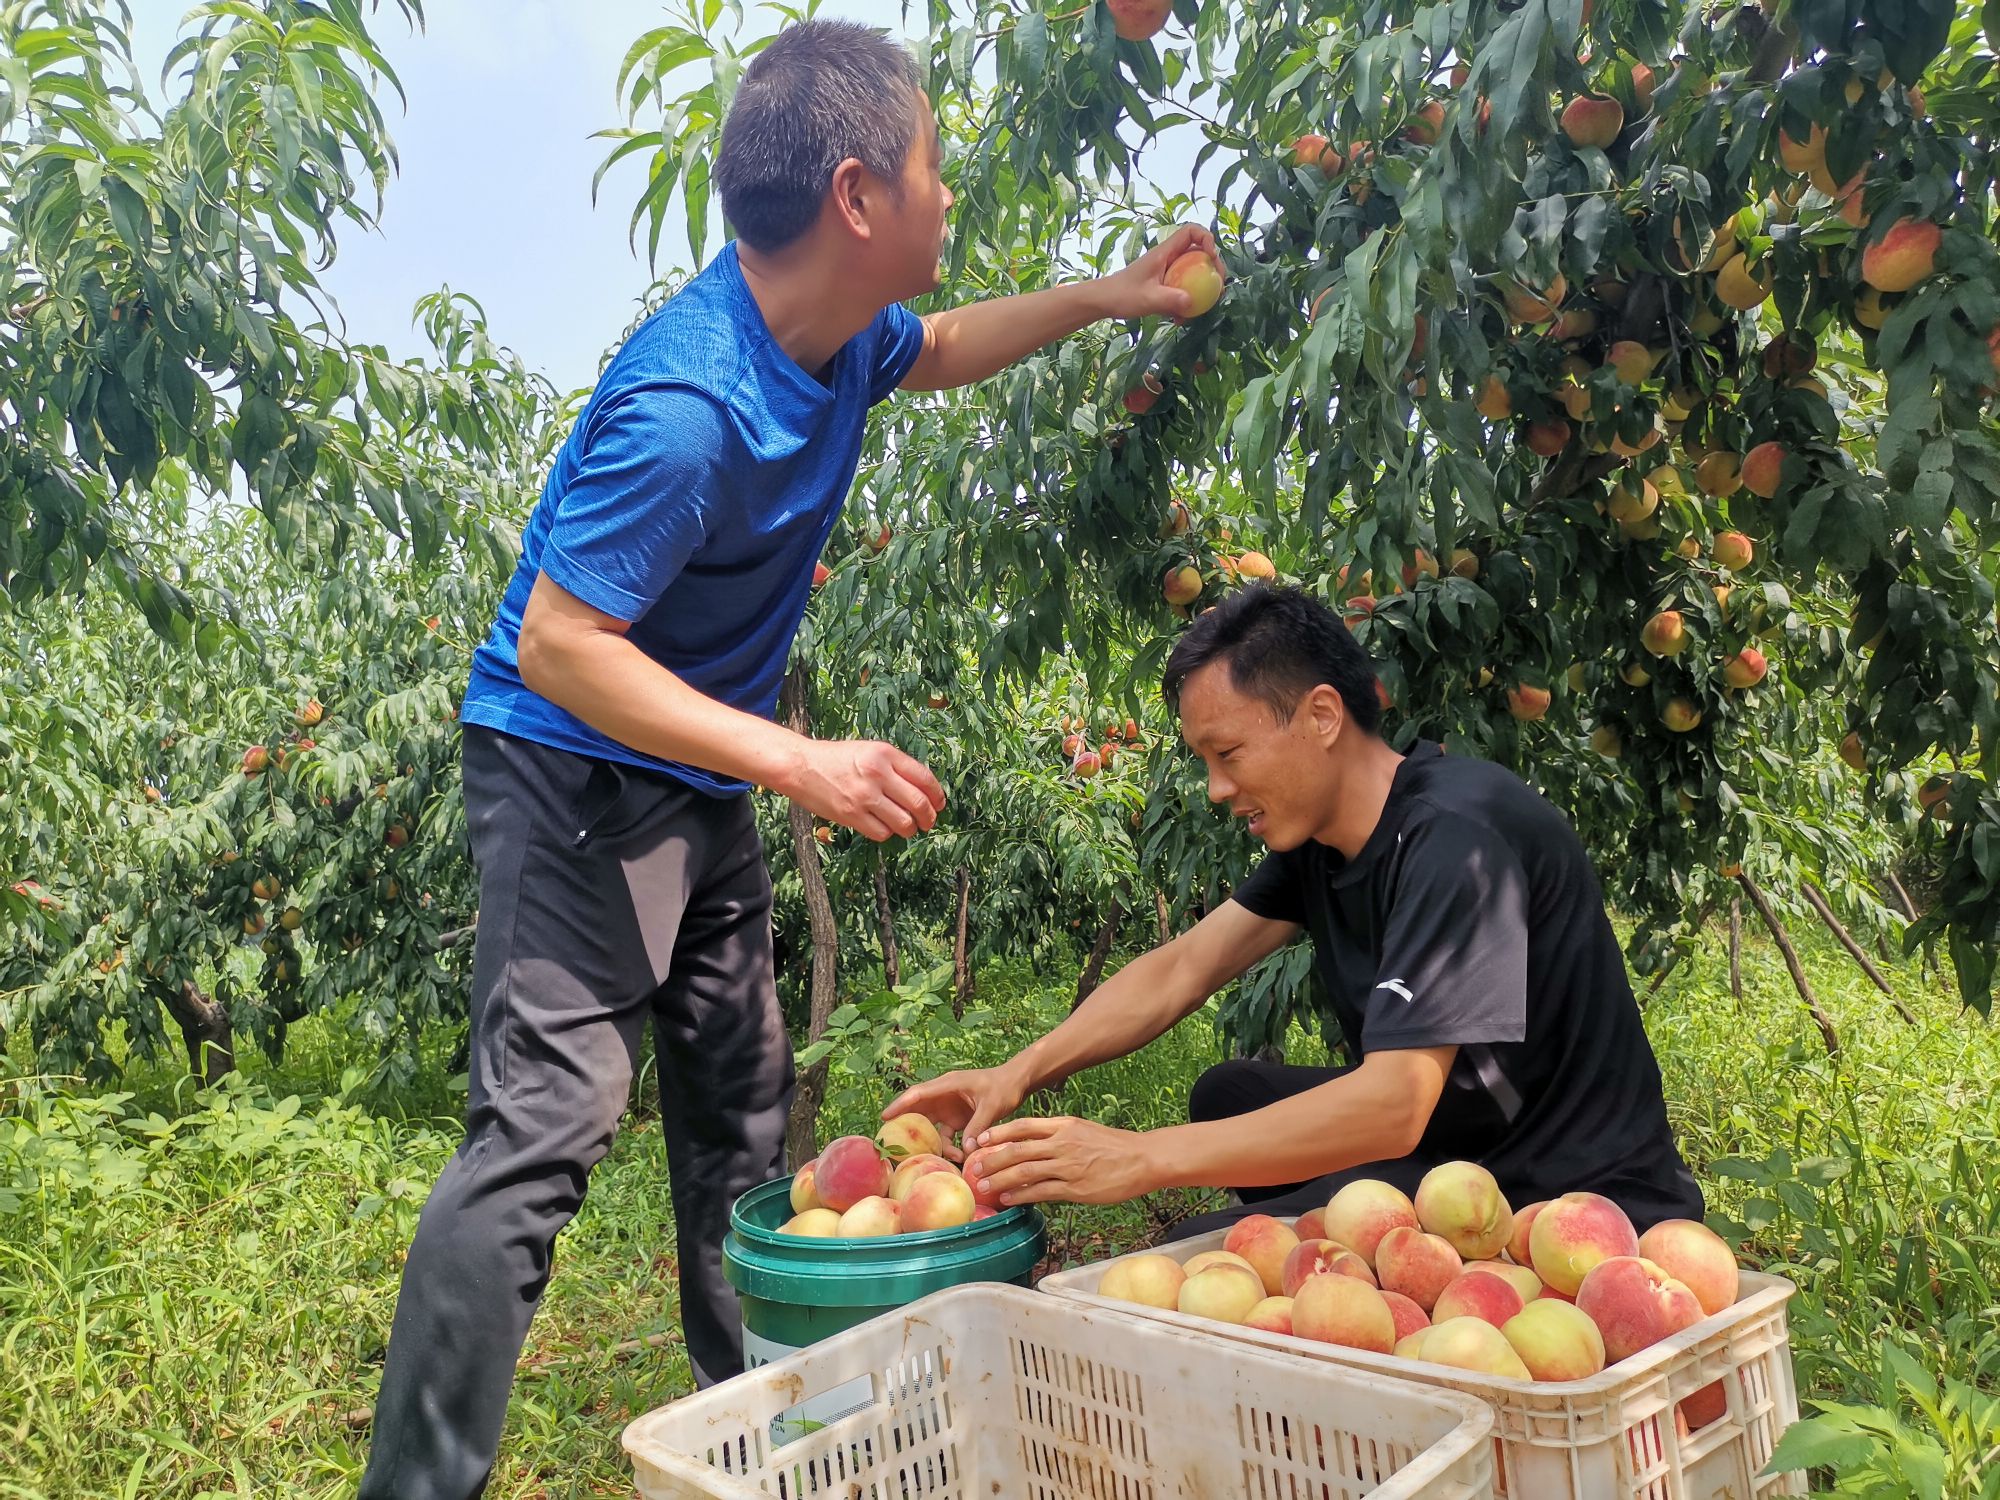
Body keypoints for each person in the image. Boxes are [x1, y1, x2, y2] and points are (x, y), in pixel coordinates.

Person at [359, 19, 1222, 1499]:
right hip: (573, 771)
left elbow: (941, 348)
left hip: (699, 775)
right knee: (544, 1137)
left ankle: (752, 1428)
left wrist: (1111, 296)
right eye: (933, 163)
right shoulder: (690, 409)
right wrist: (799, 762)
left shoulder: (833, 340)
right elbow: (565, 645)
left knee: (744, 1110)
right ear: (857, 197)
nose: (951, 192)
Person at [888, 583, 1703, 1241]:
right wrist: (1017, 1073)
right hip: (1463, 1144)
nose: (1215, 789)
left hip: (1560, 1193)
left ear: (1321, 716)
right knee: (1230, 1092)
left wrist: (1141, 1159)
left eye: (1229, 754)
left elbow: (1394, 1103)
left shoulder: (1456, 839)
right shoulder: (1326, 838)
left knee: (1198, 1259)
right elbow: (1182, 968)